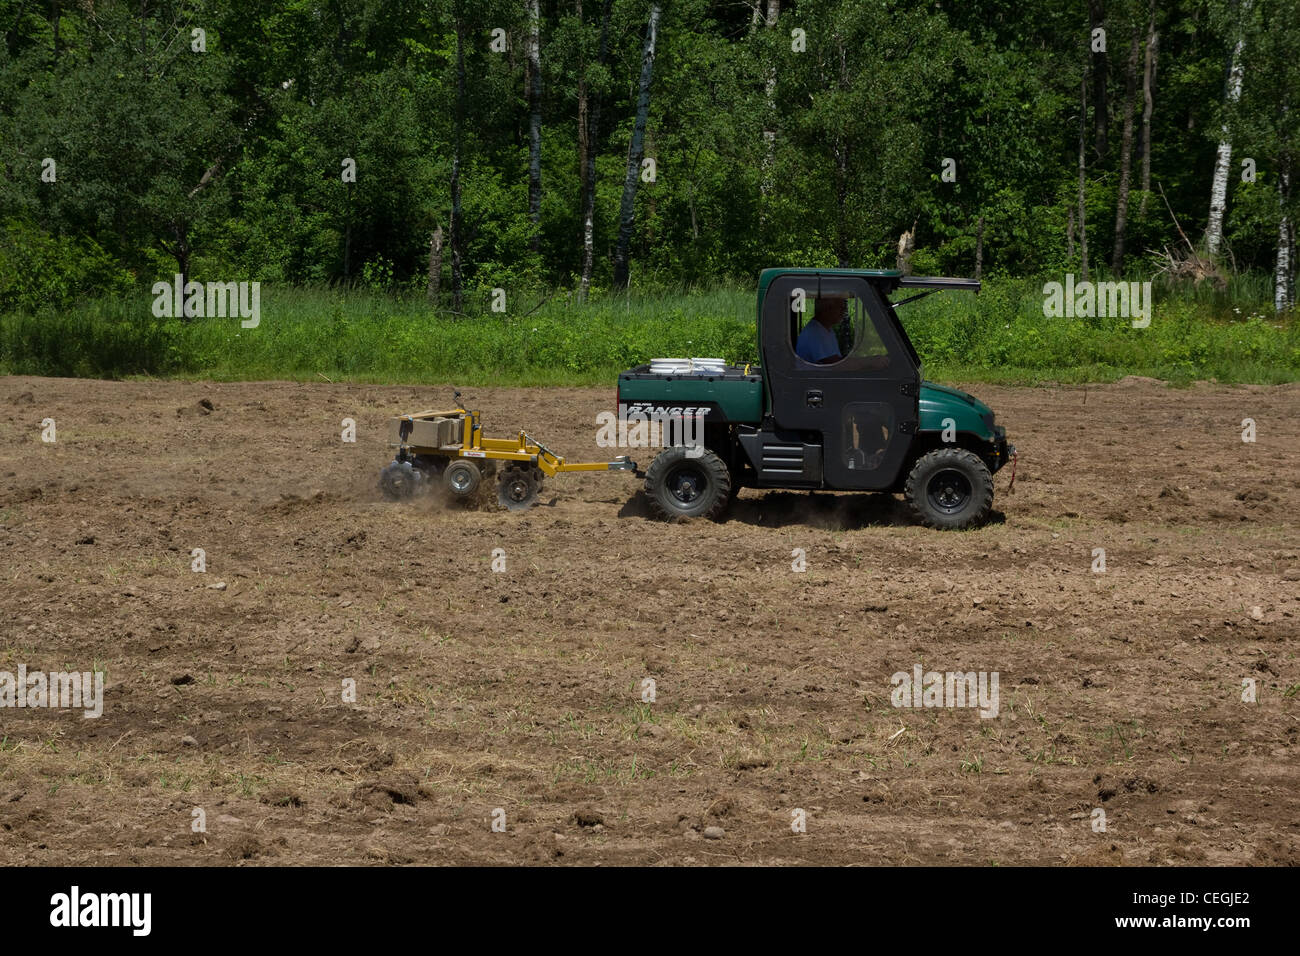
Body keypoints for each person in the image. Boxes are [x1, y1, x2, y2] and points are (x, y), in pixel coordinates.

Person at [795, 298, 846, 364]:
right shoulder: (815, 331)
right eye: (841, 308)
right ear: (827, 309)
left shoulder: (826, 329)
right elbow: (834, 364)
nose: (844, 311)